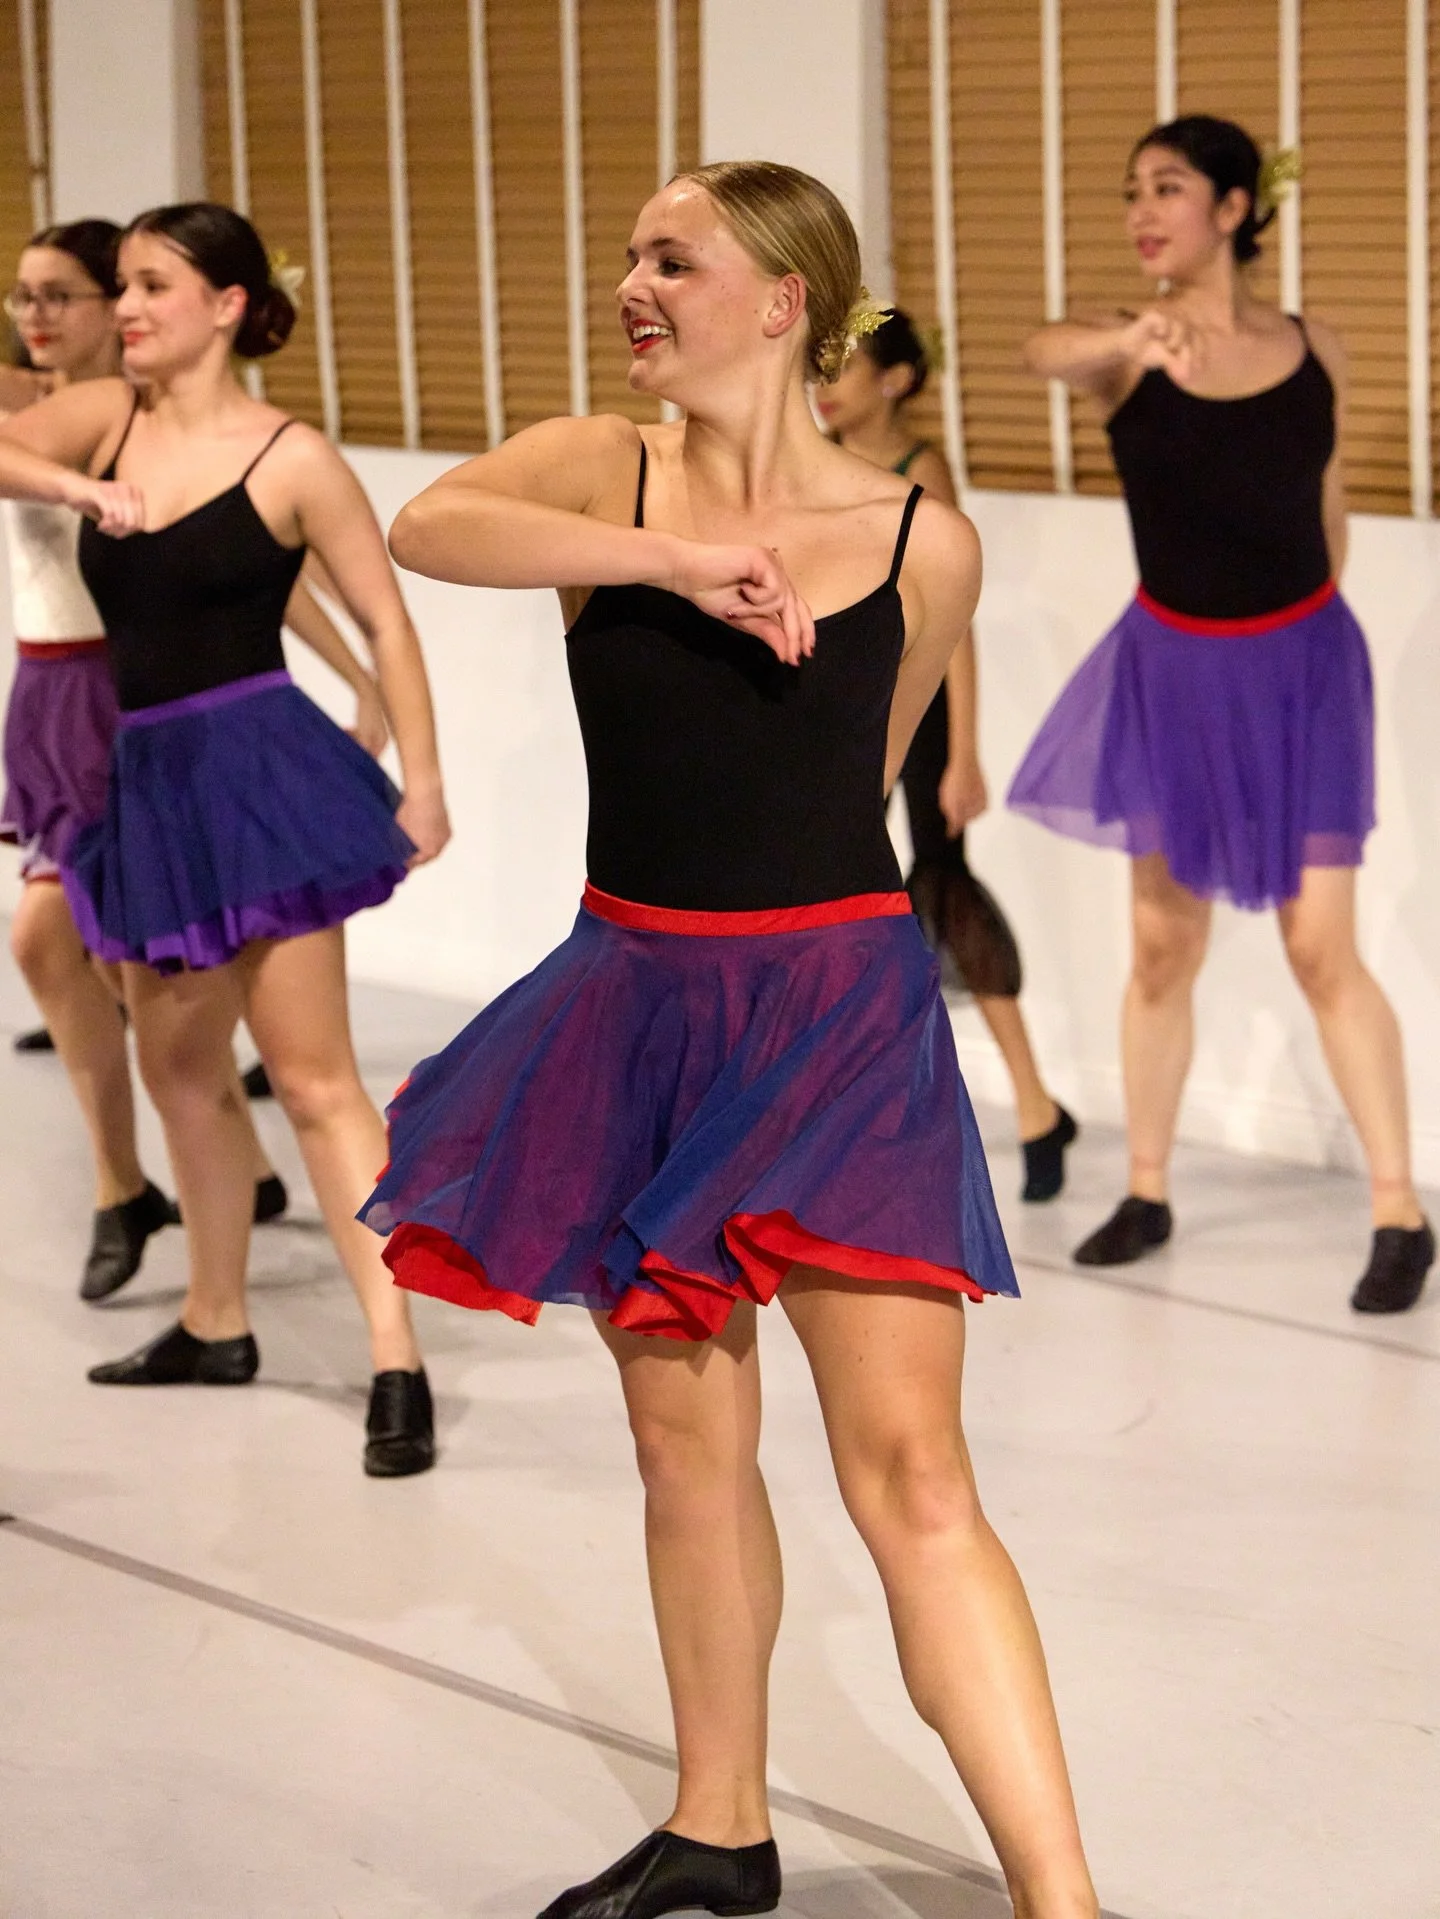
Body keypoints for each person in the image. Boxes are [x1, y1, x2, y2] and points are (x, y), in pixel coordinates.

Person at [363, 162, 1098, 1917]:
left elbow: (864, 773)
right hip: (635, 997)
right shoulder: (593, 465)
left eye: (670, 258)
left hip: (834, 1011)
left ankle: (1066, 1897)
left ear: (783, 299)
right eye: (628, 252)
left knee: (914, 1470)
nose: (633, 282)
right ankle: (720, 1819)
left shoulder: (928, 541)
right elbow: (426, 526)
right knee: (681, 1440)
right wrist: (673, 561)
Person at [0, 202, 452, 1474]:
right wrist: (78, 484)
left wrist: (423, 779)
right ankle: (216, 1317)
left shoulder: (295, 457)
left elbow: (388, 625)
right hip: (142, 776)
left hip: (257, 772)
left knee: (313, 1080)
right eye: (124, 286)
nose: (127, 306)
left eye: (151, 285)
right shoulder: (109, 419)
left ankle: (395, 1354)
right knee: (178, 1069)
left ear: (229, 305)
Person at [1009, 115, 1431, 1314]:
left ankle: (1400, 1207)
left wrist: (1305, 635)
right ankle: (1146, 1187)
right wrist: (1126, 331)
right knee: (1162, 943)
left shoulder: (1318, 347)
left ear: (1235, 208)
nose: (1144, 211)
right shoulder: (1125, 352)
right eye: (1133, 190)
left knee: (1317, 947)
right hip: (1174, 672)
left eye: (1170, 188)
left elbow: (1329, 501)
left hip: (1300, 670)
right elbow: (1044, 350)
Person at [0, 218, 339, 1299]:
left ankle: (199, 1181)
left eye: (61, 296)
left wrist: (364, 675)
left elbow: (262, 564)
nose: (36, 317)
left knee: (110, 955)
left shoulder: (171, 417)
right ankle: (127, 1181)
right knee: (61, 947)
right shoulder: (36, 412)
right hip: (53, 689)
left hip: (136, 702)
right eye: (22, 297)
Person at [818, 307, 1078, 1201]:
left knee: (943, 888)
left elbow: (953, 616)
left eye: (845, 366)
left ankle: (1037, 1105)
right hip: (845, 709)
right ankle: (852, 1109)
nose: (826, 383)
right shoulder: (816, 462)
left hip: (918, 709)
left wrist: (964, 751)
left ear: (894, 380)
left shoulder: (917, 468)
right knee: (842, 898)